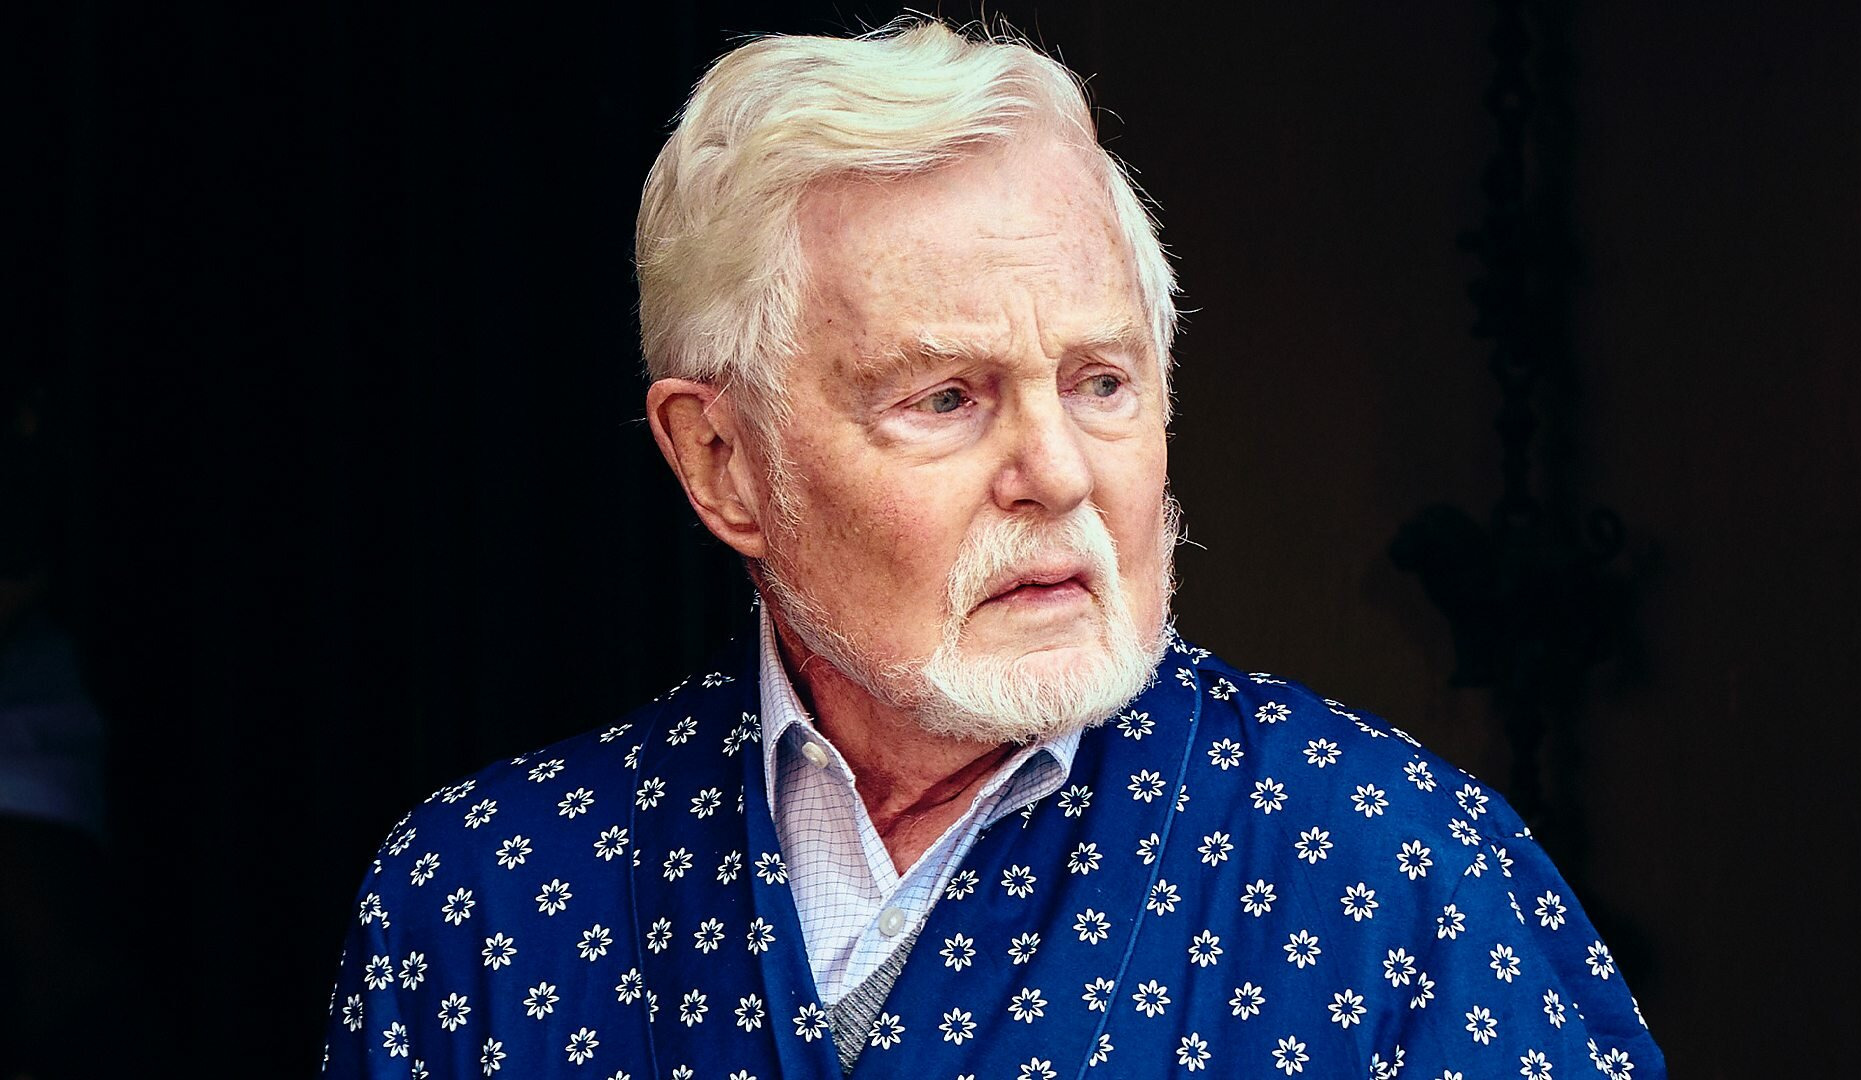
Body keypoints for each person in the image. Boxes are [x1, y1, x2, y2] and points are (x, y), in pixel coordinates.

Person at [319, 19, 1664, 1079]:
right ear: (722, 460)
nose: (1059, 474)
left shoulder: (1397, 872)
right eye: (947, 398)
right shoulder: (487, 902)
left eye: (1101, 383)